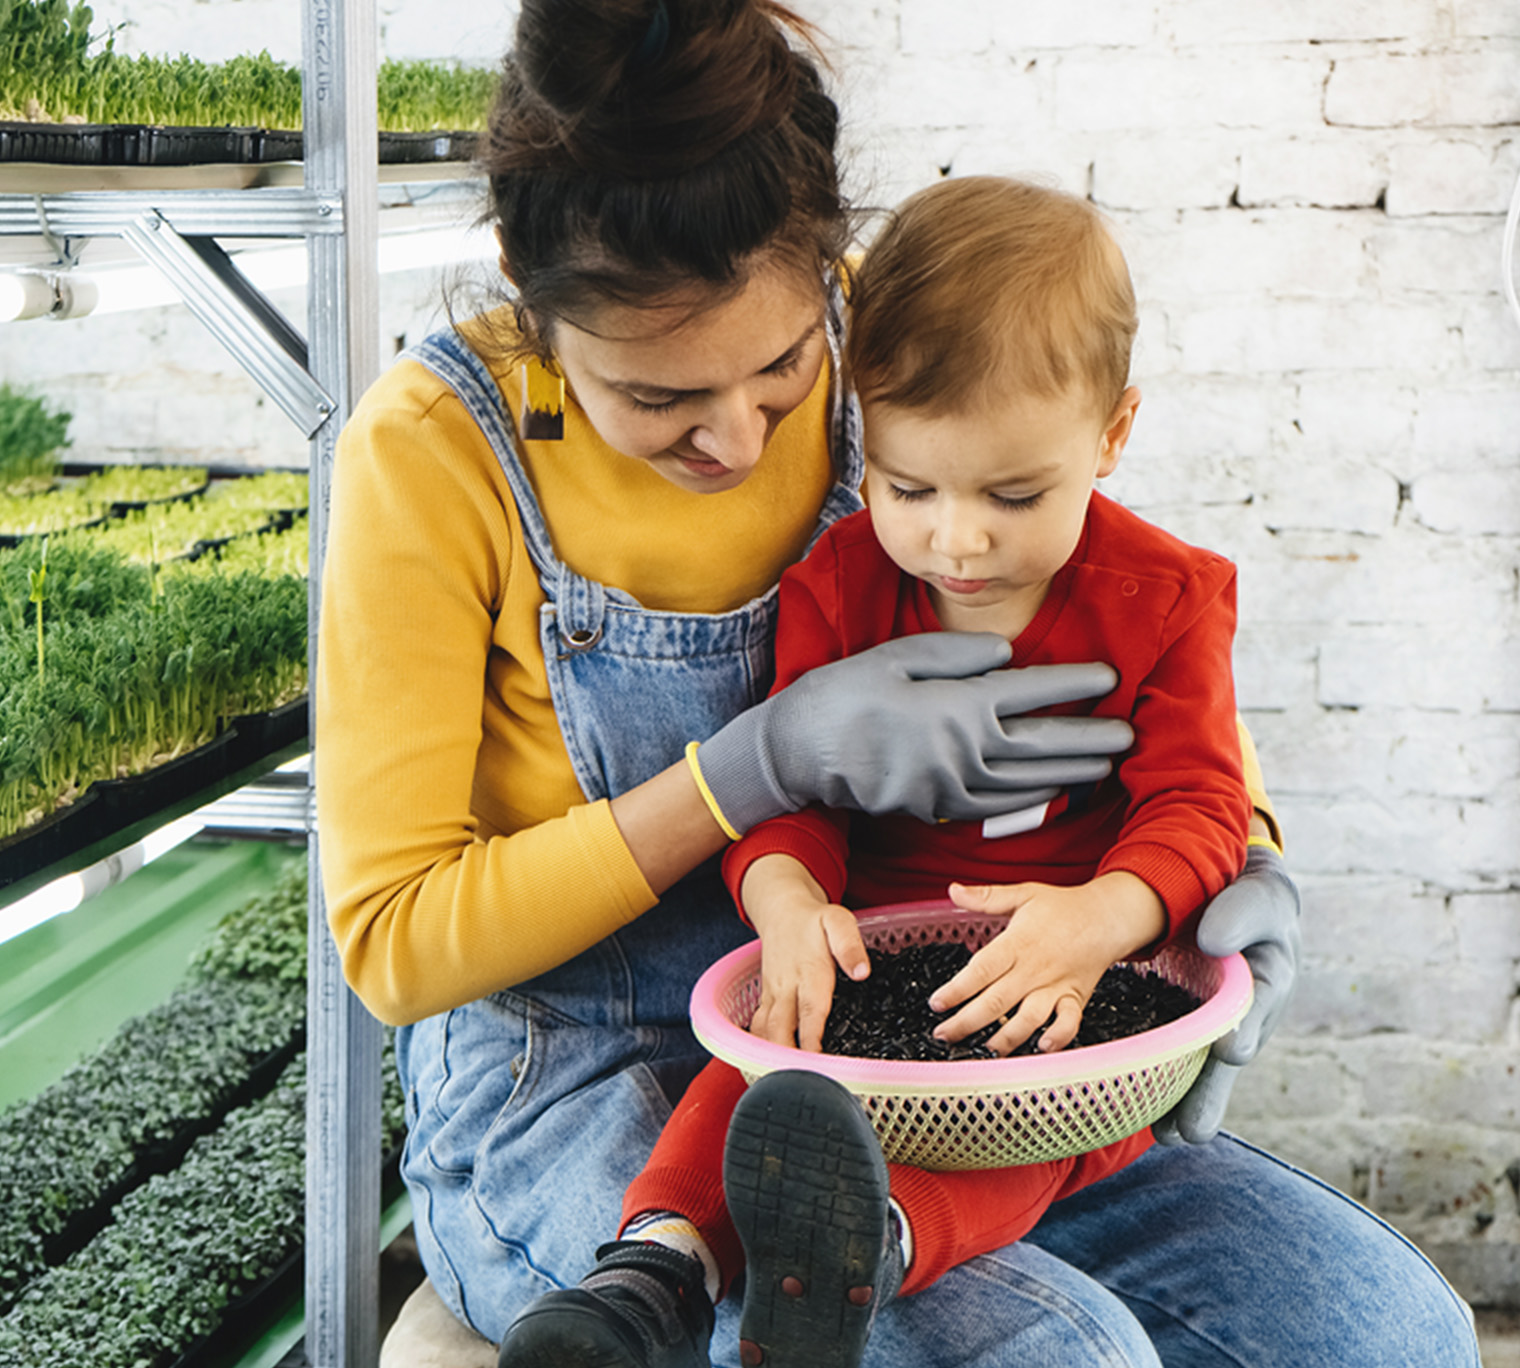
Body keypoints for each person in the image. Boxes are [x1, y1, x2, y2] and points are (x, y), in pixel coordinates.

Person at [312, 2, 1478, 1366]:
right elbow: (393, 946)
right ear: (526, 279)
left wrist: (1228, 871)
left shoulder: (894, 330)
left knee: (1394, 1337)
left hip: (909, 1022)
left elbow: (1117, 638)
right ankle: (661, 1264)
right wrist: (753, 773)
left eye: (784, 369)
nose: (739, 434)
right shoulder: (434, 452)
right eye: (657, 401)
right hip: (576, 1072)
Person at [496, 174, 1256, 1368]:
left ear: (1110, 436)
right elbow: (791, 800)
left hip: (1066, 983)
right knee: (764, 1073)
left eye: (1013, 496)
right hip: (876, 953)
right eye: (908, 489)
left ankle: (875, 1249)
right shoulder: (841, 583)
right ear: (865, 431)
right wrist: (787, 899)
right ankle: (655, 1267)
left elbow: (1201, 802)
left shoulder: (1165, 599)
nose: (956, 540)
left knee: (1041, 1133)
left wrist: (1107, 916)